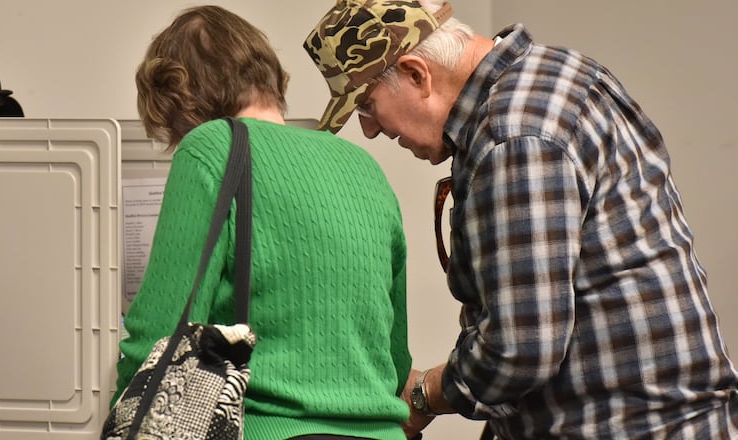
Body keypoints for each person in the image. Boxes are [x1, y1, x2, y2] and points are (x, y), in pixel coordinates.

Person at [303, 0, 738, 438]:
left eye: (367, 105)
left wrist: (424, 395)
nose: (371, 130)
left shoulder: (512, 136)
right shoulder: (561, 71)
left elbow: (521, 348)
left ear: (418, 74)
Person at [113, 5, 413, 440]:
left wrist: (123, 414)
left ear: (177, 97)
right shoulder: (362, 165)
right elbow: (395, 351)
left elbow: (161, 335)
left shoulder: (209, 146)